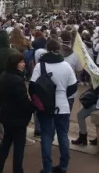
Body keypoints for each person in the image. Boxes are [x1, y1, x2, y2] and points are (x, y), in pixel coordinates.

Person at [30, 38, 77, 173]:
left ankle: (47, 168)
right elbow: (73, 87)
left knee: (46, 135)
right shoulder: (66, 65)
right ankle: (63, 165)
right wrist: (62, 95)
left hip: (45, 106)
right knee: (63, 135)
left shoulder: (41, 66)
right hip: (62, 105)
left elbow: (32, 86)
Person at [0, 52, 35, 173]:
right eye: (21, 62)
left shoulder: (3, 75)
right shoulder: (17, 80)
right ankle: (17, 170)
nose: (24, 64)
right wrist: (34, 106)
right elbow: (23, 100)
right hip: (18, 118)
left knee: (5, 143)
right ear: (15, 65)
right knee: (19, 147)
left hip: (6, 116)